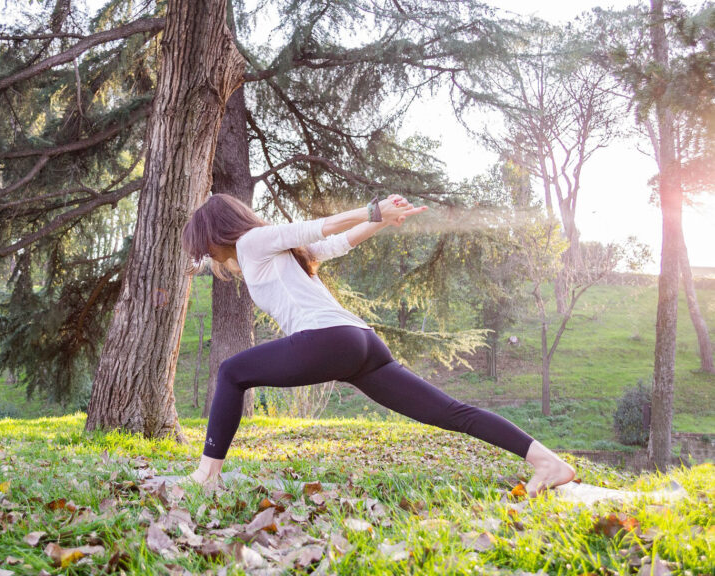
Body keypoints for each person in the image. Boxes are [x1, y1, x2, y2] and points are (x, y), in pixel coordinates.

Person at [178, 193, 575, 496]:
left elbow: (319, 227)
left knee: (231, 372)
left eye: (205, 245)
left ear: (217, 232)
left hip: (328, 340)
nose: (208, 255)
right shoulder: (269, 255)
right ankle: (547, 461)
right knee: (450, 412)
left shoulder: (252, 242)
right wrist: (381, 222)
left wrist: (374, 212)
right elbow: (338, 244)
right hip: (362, 343)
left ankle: (207, 474)